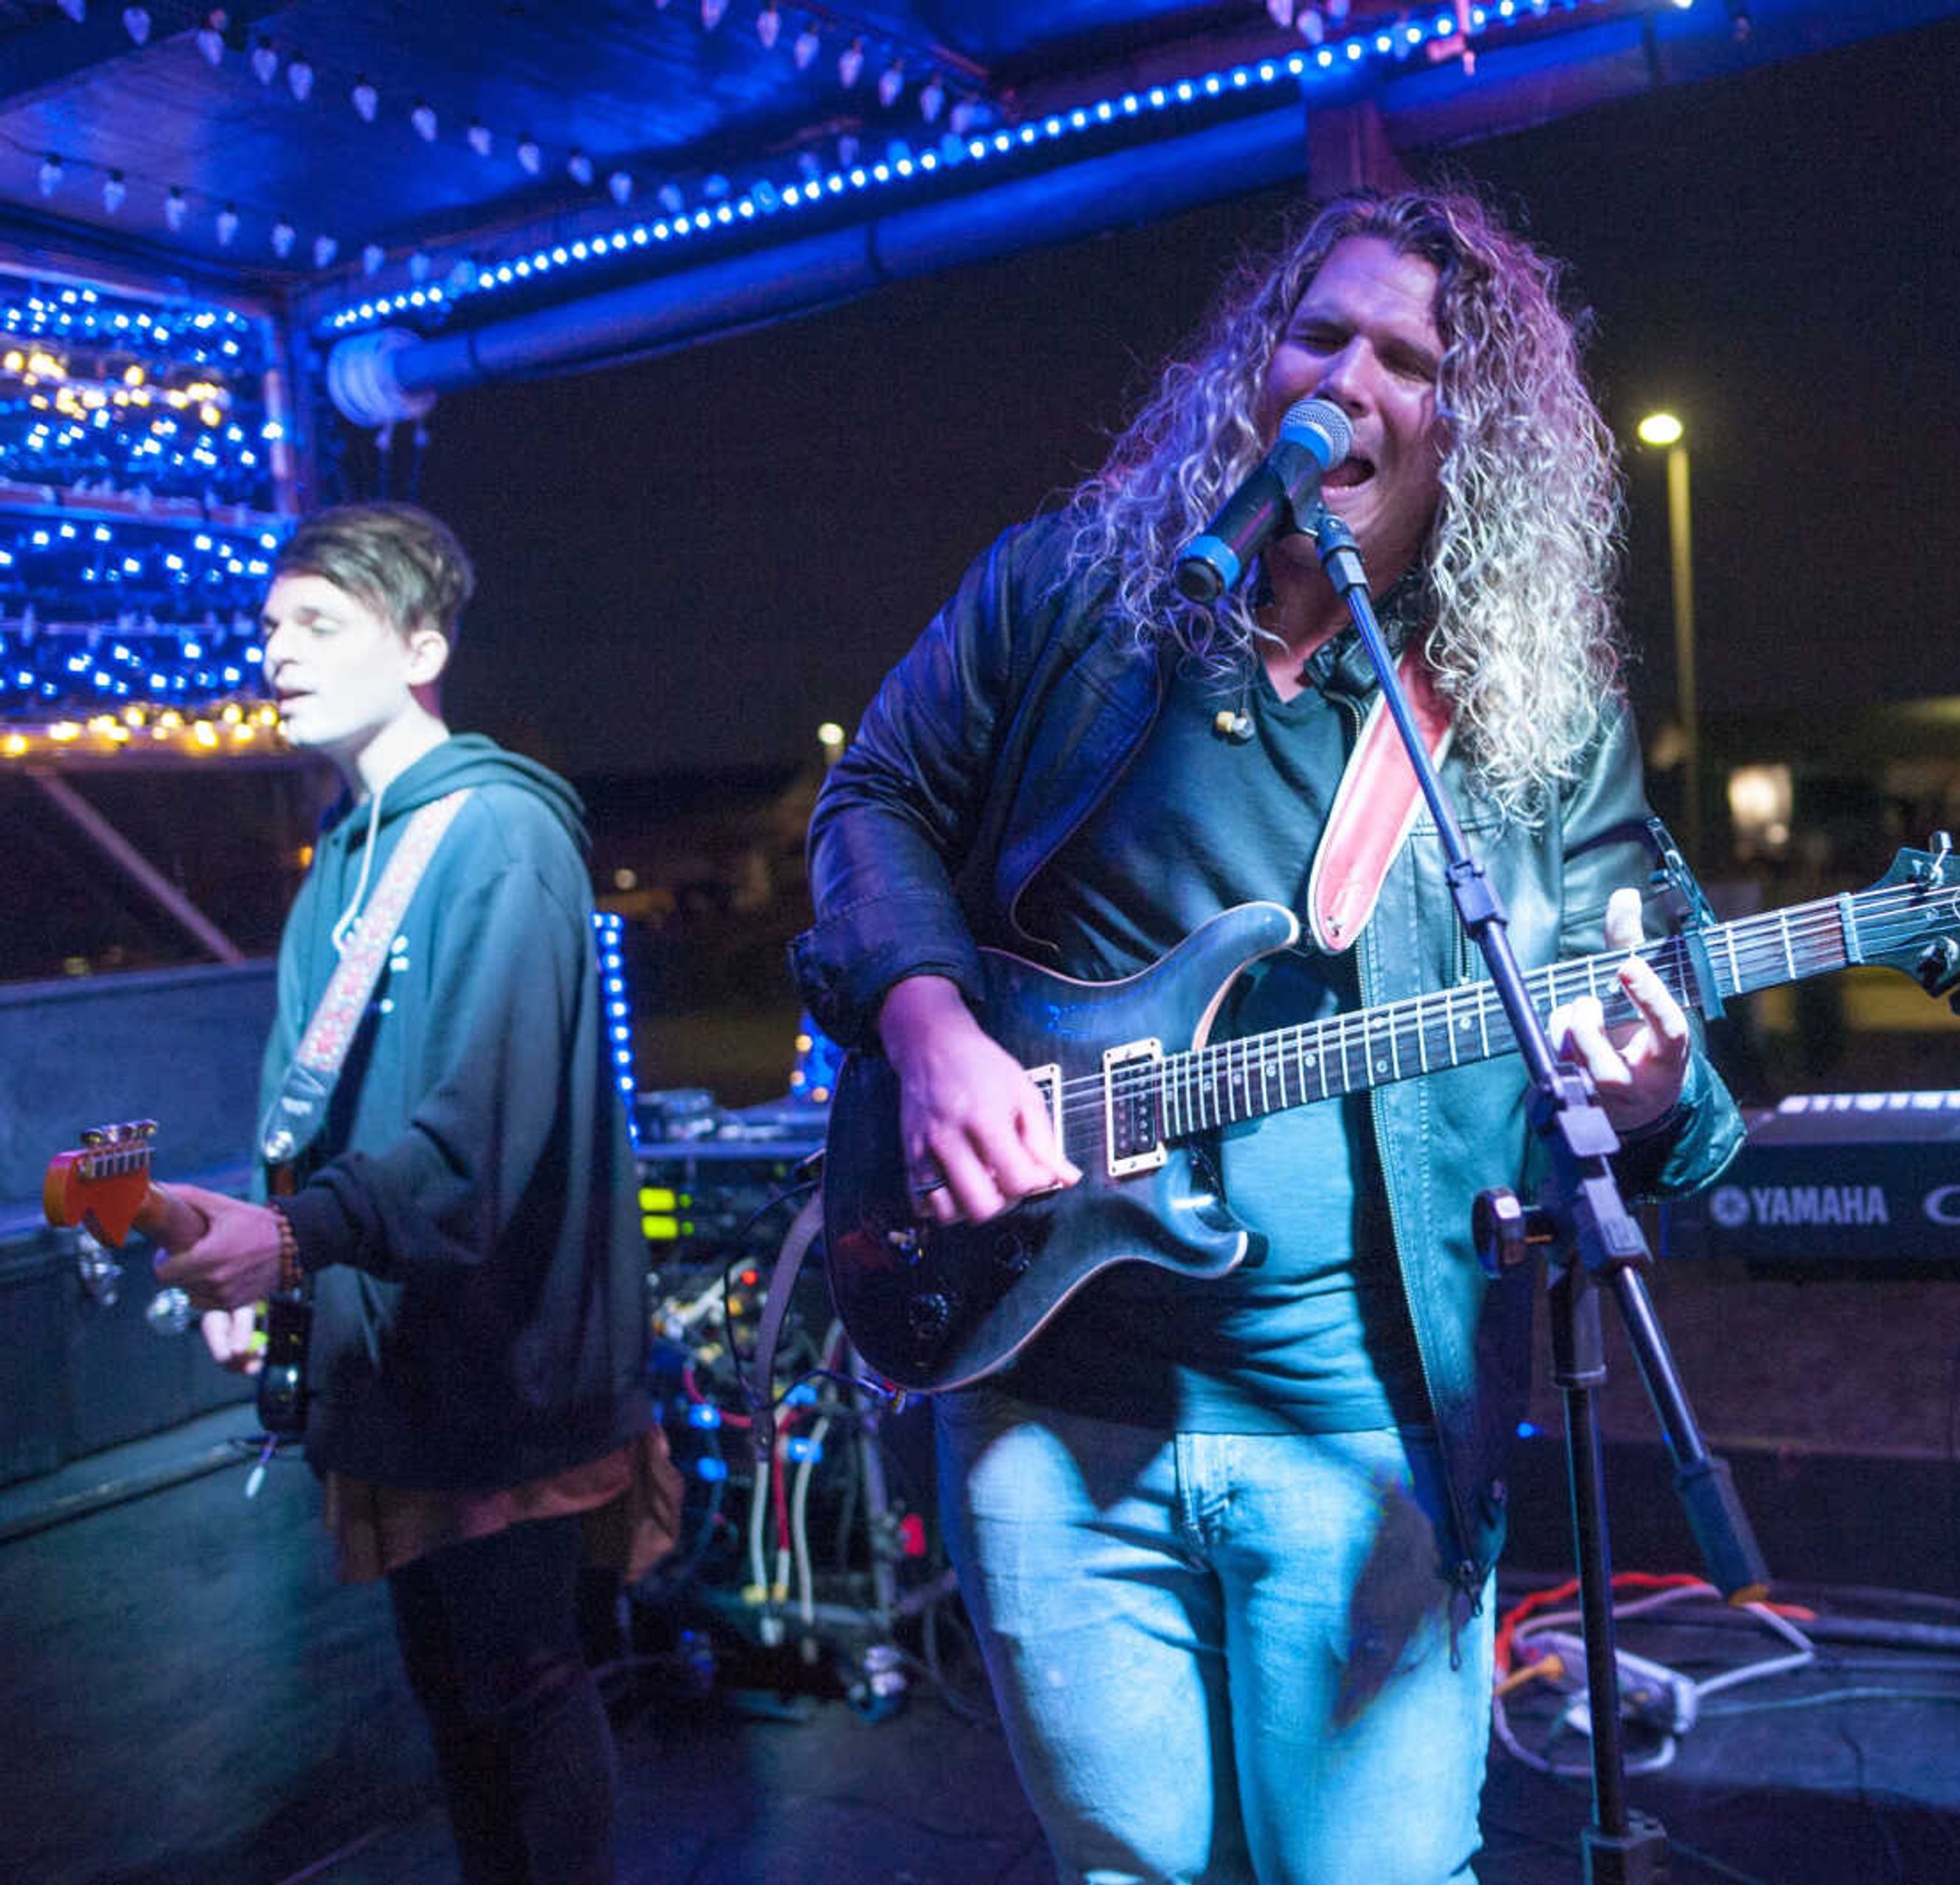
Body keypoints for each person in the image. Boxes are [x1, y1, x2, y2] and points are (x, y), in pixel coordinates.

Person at [793, 185, 1745, 1884]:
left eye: (1412, 358)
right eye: (1322, 334)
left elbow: (1629, 997)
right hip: (1047, 1403)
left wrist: (1657, 1083)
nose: (1353, 377)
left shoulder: (1531, 714)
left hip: (1357, 1425)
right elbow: (876, 799)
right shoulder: (1067, 590)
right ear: (1259, 362)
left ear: (1476, 429)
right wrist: (930, 1028)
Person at [156, 502, 674, 1885]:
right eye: (272, 626)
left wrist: (298, 1240)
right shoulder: (343, 853)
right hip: (402, 1379)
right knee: (461, 1710)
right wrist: (274, 1271)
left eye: (320, 624)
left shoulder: (500, 837)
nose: (278, 651)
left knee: (523, 1694)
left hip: (506, 1381)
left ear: (424, 644)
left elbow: (474, 1148)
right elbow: (313, 1118)